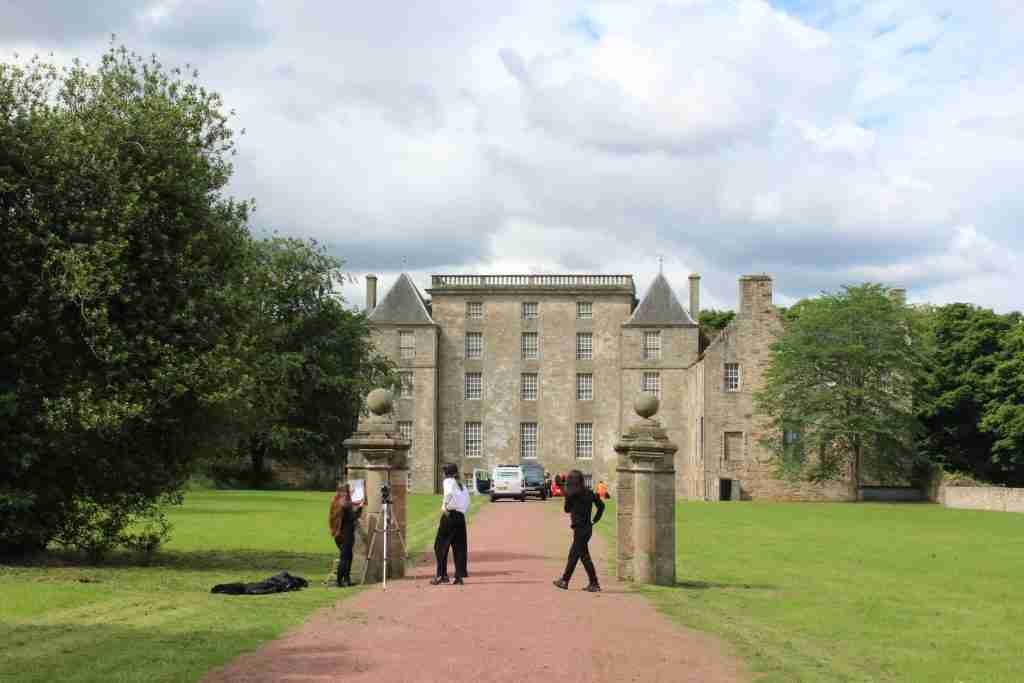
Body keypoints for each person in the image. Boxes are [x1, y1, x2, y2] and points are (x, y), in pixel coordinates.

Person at [553, 469, 604, 592]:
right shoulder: (589, 492)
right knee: (577, 555)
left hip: (580, 530)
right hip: (587, 528)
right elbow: (601, 506)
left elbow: (567, 509)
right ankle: (567, 580)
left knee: (580, 556)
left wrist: (561, 485)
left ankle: (592, 583)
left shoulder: (572, 495)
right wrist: (596, 519)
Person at [431, 462, 470, 585]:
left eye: (444, 471)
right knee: (459, 547)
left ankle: (441, 575)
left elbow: (448, 494)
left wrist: (444, 507)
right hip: (460, 517)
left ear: (447, 473)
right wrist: (461, 511)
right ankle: (459, 576)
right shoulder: (462, 485)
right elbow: (468, 501)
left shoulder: (448, 481)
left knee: (440, 545)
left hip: (450, 516)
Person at [328, 482, 364, 587]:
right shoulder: (345, 504)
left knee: (348, 556)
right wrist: (360, 507)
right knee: (345, 558)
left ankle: (346, 580)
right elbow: (353, 517)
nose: (350, 493)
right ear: (345, 492)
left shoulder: (335, 501)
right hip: (346, 534)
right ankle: (340, 581)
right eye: (348, 491)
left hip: (338, 534)